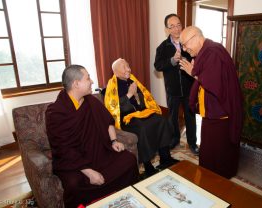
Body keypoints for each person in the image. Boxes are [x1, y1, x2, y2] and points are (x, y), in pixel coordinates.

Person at [46, 65, 138, 208]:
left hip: (98, 151)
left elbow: (107, 120)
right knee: (74, 184)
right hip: (74, 161)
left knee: (129, 160)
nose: (92, 81)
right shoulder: (56, 112)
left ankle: (124, 198)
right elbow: (63, 148)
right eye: (88, 78)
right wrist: (89, 172)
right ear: (76, 84)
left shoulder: (90, 100)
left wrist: (114, 141)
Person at [179, 26, 244, 179]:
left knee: (217, 156)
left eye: (185, 44)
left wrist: (193, 74)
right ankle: (209, 181)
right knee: (208, 154)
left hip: (220, 115)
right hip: (211, 114)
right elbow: (208, 77)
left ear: (195, 37)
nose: (184, 49)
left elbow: (215, 84)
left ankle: (218, 184)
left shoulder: (213, 52)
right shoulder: (206, 52)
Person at [104, 58, 179, 176]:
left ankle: (165, 158)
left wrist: (137, 97)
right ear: (116, 71)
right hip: (126, 118)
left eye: (128, 65)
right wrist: (129, 94)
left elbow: (143, 98)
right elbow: (114, 110)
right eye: (124, 67)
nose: (129, 69)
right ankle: (148, 166)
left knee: (161, 120)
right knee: (143, 128)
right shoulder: (112, 86)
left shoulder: (132, 80)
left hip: (141, 113)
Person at [154, 14, 199, 155]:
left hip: (189, 88)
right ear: (167, 29)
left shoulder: (190, 43)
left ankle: (192, 143)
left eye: (178, 24)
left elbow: (198, 59)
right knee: (172, 117)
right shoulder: (163, 47)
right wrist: (172, 60)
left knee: (190, 116)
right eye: (172, 26)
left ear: (182, 25)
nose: (176, 29)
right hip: (172, 89)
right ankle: (174, 140)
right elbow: (158, 66)